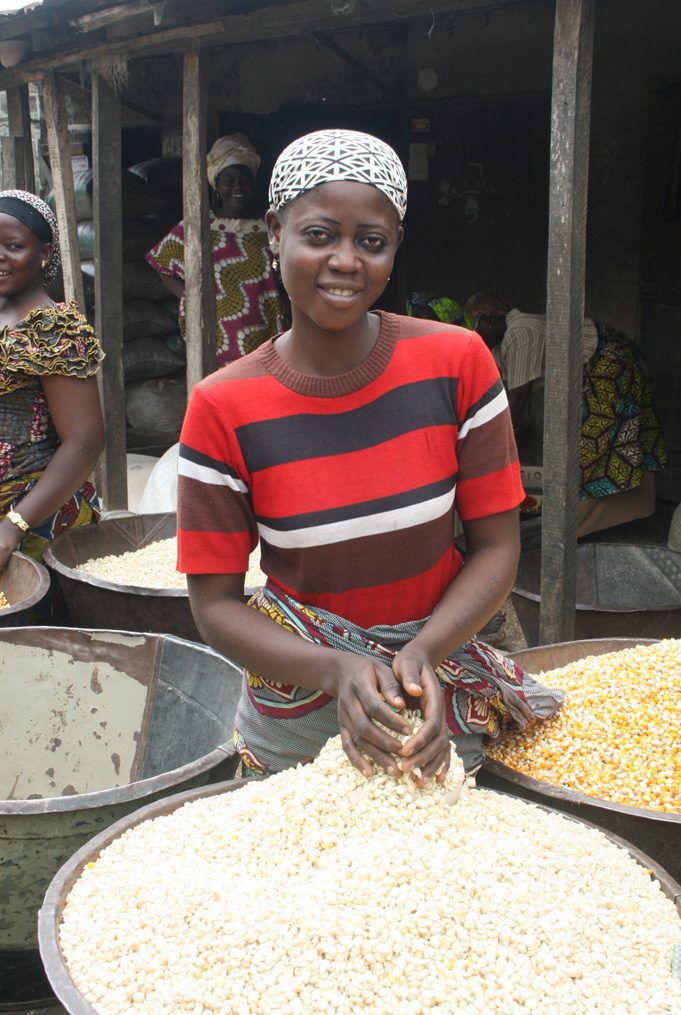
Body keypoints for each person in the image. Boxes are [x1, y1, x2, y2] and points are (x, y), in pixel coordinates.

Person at [177, 129, 563, 783]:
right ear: (275, 232)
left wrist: (424, 656)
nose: (345, 261)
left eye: (370, 241)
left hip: (435, 698)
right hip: (300, 704)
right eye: (320, 235)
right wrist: (337, 668)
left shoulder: (456, 362)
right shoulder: (222, 406)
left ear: (394, 249)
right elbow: (213, 604)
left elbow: (498, 546)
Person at [464, 292, 667, 536]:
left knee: (593, 444)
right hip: (593, 368)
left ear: (489, 318)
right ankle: (596, 521)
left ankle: (579, 527)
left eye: (476, 323)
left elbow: (519, 396)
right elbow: (502, 395)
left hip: (613, 360)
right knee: (597, 442)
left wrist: (497, 442)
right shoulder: (499, 344)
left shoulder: (521, 333)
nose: (476, 331)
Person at [0, 189, 105, 572]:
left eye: (13, 246)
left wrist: (14, 526)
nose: (0, 257)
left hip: (34, 515)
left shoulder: (54, 329)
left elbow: (85, 442)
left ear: (44, 254)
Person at [146, 132, 286, 368]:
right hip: (217, 332)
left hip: (266, 326)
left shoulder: (268, 226)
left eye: (244, 180)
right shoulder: (198, 227)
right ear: (217, 186)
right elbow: (163, 262)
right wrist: (188, 297)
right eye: (229, 181)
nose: (238, 188)